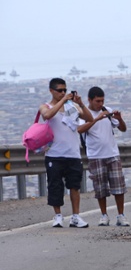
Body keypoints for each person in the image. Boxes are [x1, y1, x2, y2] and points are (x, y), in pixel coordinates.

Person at [40, 78, 94, 228]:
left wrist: (80, 104)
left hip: (73, 153)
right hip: (54, 154)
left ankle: (75, 216)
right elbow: (47, 115)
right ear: (51, 91)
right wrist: (63, 100)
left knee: (74, 186)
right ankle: (58, 216)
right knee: (55, 186)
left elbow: (89, 119)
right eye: (60, 90)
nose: (63, 93)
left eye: (65, 90)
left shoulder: (73, 107)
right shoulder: (45, 106)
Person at [77, 86, 129, 226]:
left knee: (118, 186)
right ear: (90, 100)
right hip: (95, 155)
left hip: (112, 153)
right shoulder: (84, 114)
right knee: (100, 188)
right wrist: (96, 119)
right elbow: (80, 129)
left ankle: (121, 215)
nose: (100, 104)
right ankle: (104, 215)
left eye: (102, 101)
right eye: (97, 101)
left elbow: (123, 129)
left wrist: (119, 119)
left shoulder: (108, 111)